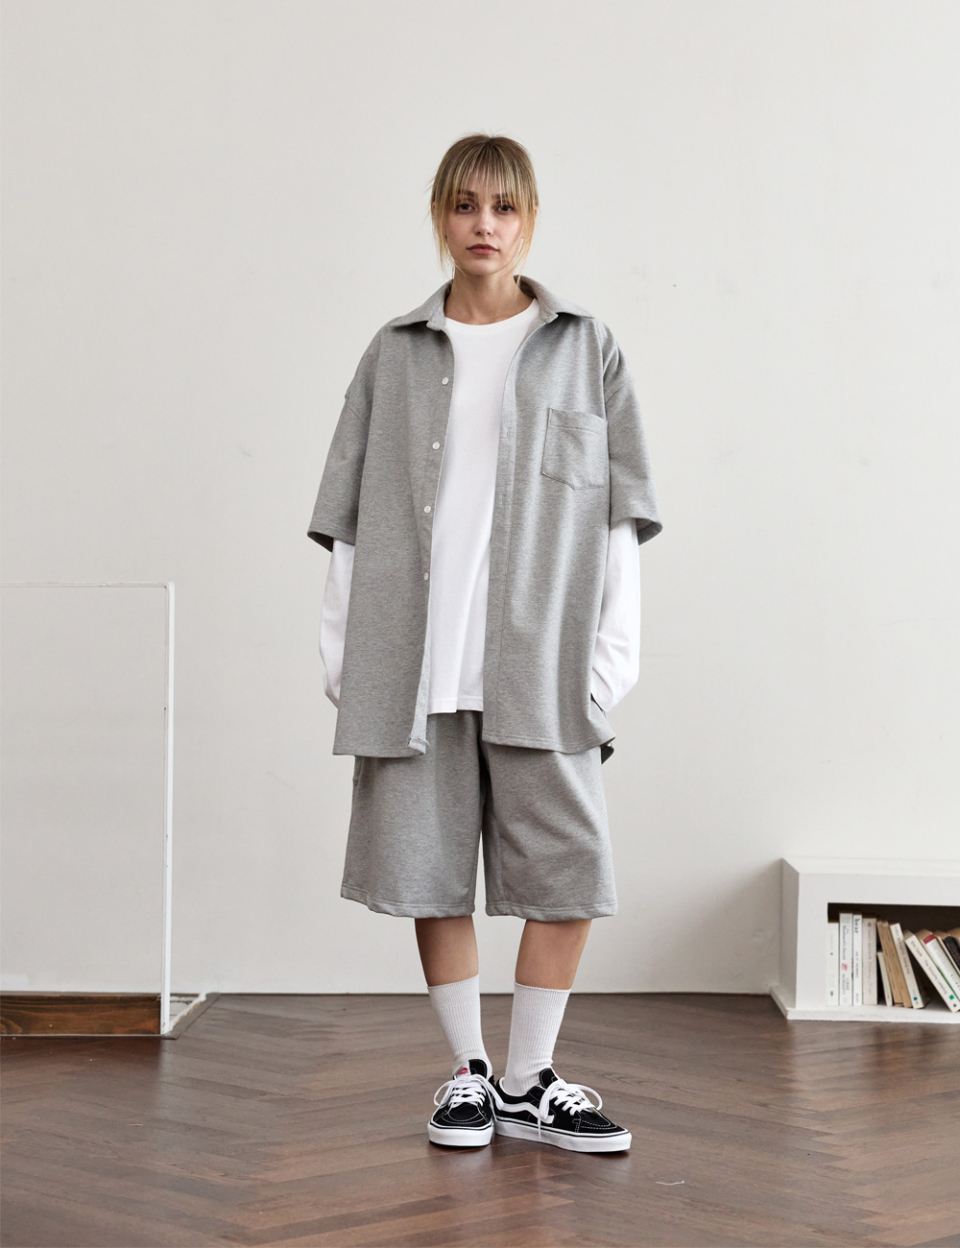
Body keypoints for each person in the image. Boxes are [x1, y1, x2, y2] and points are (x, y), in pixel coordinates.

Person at [307, 133, 662, 1153]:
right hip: (414, 666)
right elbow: (349, 520)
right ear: (441, 216)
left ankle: (529, 1077)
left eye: (503, 208)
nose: (484, 226)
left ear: (529, 220)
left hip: (541, 666)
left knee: (568, 872)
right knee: (430, 873)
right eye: (464, 205)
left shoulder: (585, 347)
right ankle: (468, 1075)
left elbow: (620, 516)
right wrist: (347, 661)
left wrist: (609, 664)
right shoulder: (393, 352)